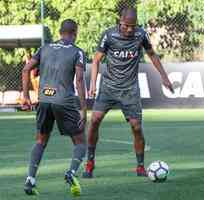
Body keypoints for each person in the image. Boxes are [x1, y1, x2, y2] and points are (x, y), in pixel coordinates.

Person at [82, 8, 174, 178]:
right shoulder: (108, 35)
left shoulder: (141, 35)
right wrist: (93, 85)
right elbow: (95, 60)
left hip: (129, 89)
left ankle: (140, 166)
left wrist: (164, 77)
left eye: (133, 26)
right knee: (94, 120)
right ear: (120, 21)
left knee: (136, 127)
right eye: (126, 26)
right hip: (108, 87)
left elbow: (152, 55)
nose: (130, 30)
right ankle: (90, 163)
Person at [21, 19, 87, 196]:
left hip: (44, 99)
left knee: (40, 141)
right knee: (81, 143)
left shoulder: (45, 48)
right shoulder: (78, 52)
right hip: (64, 101)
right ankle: (71, 172)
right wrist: (83, 109)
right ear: (75, 32)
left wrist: (26, 96)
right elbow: (79, 81)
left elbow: (26, 69)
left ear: (60, 32)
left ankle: (30, 179)